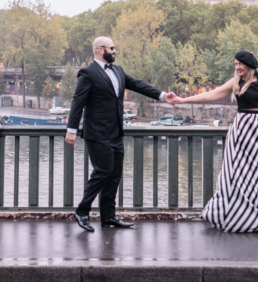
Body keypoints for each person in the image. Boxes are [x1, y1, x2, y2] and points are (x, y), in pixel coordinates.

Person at [65, 35, 179, 232]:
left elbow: (137, 84)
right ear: (100, 50)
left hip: (116, 133)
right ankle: (82, 212)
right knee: (103, 172)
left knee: (115, 175)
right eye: (112, 48)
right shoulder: (87, 73)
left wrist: (162, 95)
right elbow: (78, 101)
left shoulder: (117, 71)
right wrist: (72, 130)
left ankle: (108, 217)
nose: (114, 51)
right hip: (97, 134)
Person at [176, 50, 258, 233]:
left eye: (240, 64)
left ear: (249, 65)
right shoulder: (236, 82)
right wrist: (183, 100)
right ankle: (228, 216)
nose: (237, 67)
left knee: (257, 174)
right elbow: (212, 94)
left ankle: (253, 217)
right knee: (235, 174)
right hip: (241, 130)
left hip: (256, 131)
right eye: (235, 64)